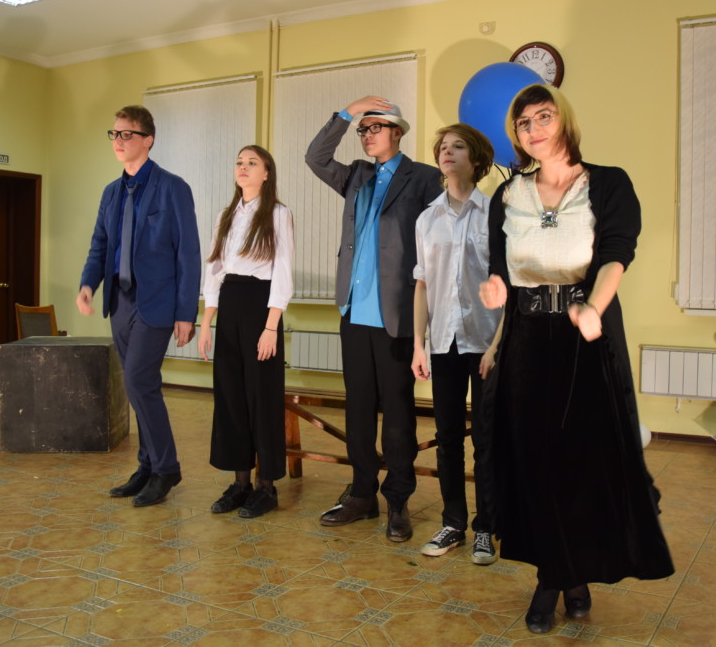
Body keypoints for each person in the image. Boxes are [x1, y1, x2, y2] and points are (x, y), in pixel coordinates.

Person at [478, 85, 673, 633]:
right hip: (526, 339)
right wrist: (496, 289)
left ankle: (567, 574)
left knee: (580, 461)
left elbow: (615, 255)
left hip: (583, 335)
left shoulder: (608, 183)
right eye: (523, 123)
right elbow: (501, 267)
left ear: (563, 120)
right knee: (533, 460)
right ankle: (556, 576)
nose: (534, 129)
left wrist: (593, 307)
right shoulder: (507, 195)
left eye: (543, 117)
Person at [305, 96, 443, 542]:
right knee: (359, 409)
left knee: (398, 414)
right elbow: (315, 157)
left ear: (397, 132)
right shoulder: (357, 176)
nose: (367, 135)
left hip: (397, 314)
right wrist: (347, 112)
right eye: (363, 129)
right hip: (354, 310)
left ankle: (398, 500)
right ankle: (362, 493)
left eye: (375, 127)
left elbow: (438, 242)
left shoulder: (424, 178)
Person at [78, 105, 201, 507]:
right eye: (114, 133)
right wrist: (88, 284)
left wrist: (186, 313)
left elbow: (188, 253)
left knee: (139, 382)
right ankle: (147, 466)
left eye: (126, 134)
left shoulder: (173, 188)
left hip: (157, 303)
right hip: (120, 302)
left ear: (147, 140)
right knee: (138, 387)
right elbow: (100, 245)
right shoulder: (111, 193)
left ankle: (166, 468)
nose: (118, 141)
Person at [411, 123, 502, 564]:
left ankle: (486, 527)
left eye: (458, 146)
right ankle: (453, 523)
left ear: (476, 159)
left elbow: (508, 284)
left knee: (486, 440)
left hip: (485, 343)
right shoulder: (426, 219)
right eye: (443, 147)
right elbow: (422, 284)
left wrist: (497, 345)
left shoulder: (494, 215)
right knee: (447, 437)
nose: (447, 152)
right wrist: (418, 344)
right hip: (442, 342)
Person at [197, 145, 294, 519]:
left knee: (262, 397)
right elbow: (214, 270)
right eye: (239, 162)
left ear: (266, 173)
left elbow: (282, 271)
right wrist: (207, 322)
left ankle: (267, 487)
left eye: (252, 163)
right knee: (231, 396)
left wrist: (271, 326)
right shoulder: (225, 216)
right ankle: (241, 484)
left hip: (261, 307)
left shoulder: (278, 214)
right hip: (230, 304)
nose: (243, 167)